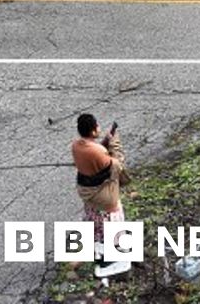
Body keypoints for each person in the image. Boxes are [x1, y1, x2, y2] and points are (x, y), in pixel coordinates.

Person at [71, 113, 130, 276]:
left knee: (96, 226)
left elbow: (96, 157)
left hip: (88, 193)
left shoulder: (76, 145)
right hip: (103, 199)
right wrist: (115, 142)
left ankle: (95, 251)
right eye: (97, 126)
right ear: (93, 131)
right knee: (111, 226)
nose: (99, 127)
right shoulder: (97, 152)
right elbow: (117, 165)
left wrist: (105, 142)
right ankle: (110, 261)